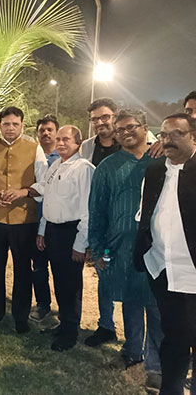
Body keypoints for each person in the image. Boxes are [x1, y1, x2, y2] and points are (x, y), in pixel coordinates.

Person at [88, 110, 162, 388]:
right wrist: (98, 249)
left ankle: (156, 365)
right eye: (120, 130)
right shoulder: (108, 167)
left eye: (131, 127)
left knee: (156, 306)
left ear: (145, 127)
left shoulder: (162, 161)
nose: (126, 133)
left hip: (157, 248)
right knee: (130, 300)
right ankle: (132, 351)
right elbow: (96, 210)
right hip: (119, 248)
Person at [0, 106, 47, 333]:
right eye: (6, 124)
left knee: (23, 269)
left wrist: (24, 192)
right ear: (0, 125)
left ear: (22, 125)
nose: (10, 128)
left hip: (24, 220)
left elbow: (45, 182)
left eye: (15, 124)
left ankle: (21, 317)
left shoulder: (35, 149)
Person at [135, 113, 196, 395]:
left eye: (176, 134)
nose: (167, 140)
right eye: (164, 135)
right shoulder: (155, 170)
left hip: (191, 272)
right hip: (162, 269)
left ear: (193, 136)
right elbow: (144, 212)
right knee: (173, 338)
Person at [34, 126, 94, 350]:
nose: (60, 143)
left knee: (71, 285)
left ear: (78, 143)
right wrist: (42, 230)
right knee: (59, 281)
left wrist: (80, 243)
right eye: (58, 139)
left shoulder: (84, 168)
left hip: (71, 232)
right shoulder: (55, 165)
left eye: (66, 139)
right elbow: (48, 199)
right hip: (53, 231)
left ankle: (70, 332)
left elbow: (88, 209)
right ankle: (63, 323)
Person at [29, 115, 58, 323]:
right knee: (38, 267)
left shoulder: (64, 158)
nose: (46, 133)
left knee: (61, 269)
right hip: (34, 219)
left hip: (57, 222)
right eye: (42, 130)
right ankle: (42, 305)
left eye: (50, 130)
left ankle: (67, 311)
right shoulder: (31, 156)